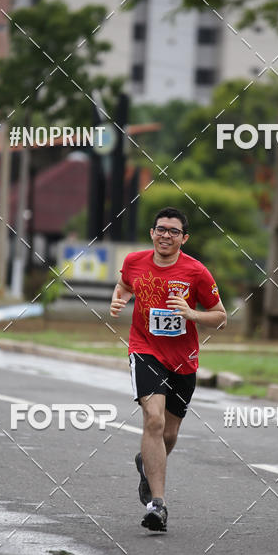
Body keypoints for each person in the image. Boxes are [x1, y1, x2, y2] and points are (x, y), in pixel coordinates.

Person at [110, 207, 227, 531]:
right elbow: (124, 285)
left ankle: (146, 464)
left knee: (170, 433)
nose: (166, 235)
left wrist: (192, 314)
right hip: (145, 349)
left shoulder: (196, 272)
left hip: (183, 359)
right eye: (161, 229)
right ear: (152, 233)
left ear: (183, 238)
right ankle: (157, 505)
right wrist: (117, 300)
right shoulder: (135, 261)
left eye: (173, 231)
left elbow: (220, 315)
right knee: (154, 419)